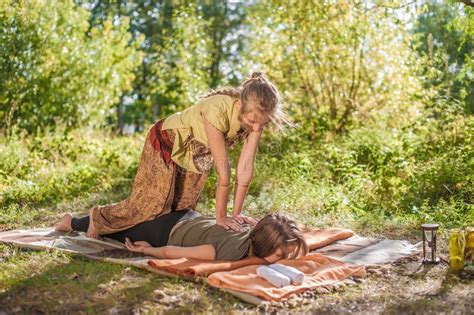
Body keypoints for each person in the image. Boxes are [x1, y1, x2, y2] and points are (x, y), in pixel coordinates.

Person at [85, 71, 287, 239]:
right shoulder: (217, 109)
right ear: (240, 105)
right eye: (252, 121)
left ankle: (109, 229)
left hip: (197, 153)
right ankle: (98, 218)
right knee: (151, 205)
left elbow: (244, 172)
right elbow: (224, 172)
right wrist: (221, 217)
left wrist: (236, 215)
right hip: (168, 142)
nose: (257, 127)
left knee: (179, 213)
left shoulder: (255, 120)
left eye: (263, 123)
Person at [56, 212, 308, 262]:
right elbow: (174, 253)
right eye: (281, 254)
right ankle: (71, 221)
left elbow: (273, 225)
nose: (284, 258)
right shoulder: (228, 252)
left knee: (127, 214)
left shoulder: (250, 228)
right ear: (262, 244)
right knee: (114, 227)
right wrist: (145, 251)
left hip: (185, 214)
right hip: (163, 231)